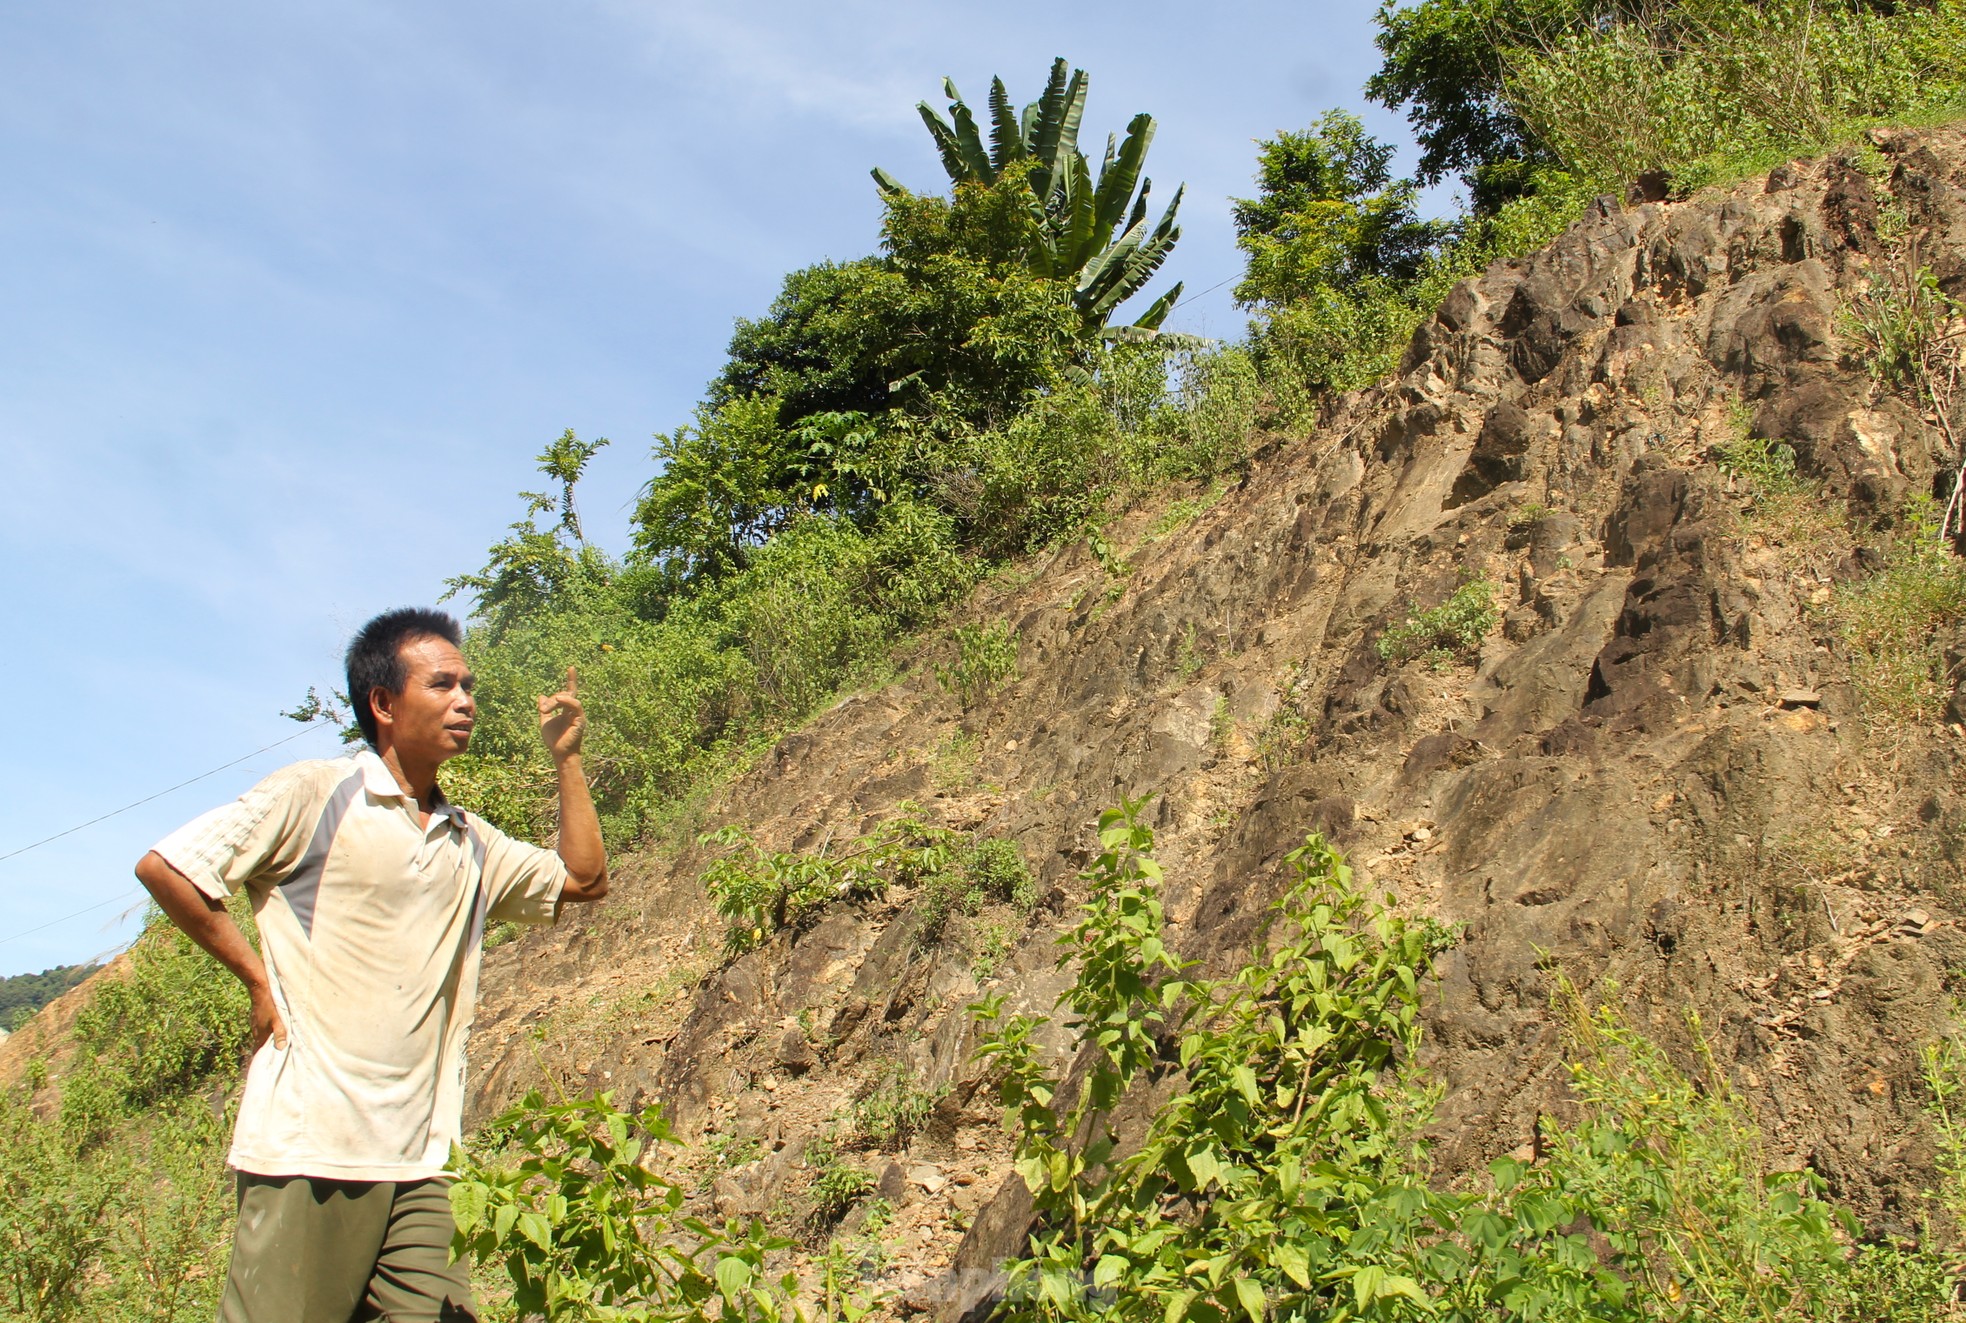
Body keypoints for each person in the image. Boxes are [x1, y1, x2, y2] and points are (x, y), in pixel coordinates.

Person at [135, 607, 608, 1323]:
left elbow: (584, 880)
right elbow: (169, 868)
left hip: (422, 1159)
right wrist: (257, 979)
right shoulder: (315, 794)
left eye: (468, 684)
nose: (466, 699)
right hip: (312, 1148)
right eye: (443, 683)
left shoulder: (469, 841)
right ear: (384, 704)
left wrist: (567, 759)